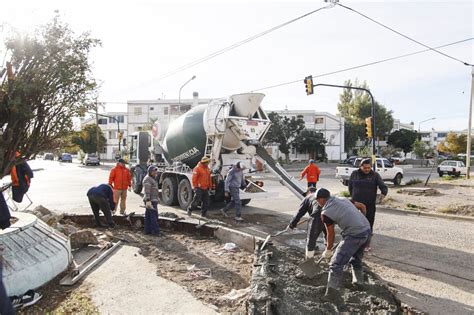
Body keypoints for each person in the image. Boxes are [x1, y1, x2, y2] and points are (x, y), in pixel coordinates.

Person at [315, 188, 371, 300]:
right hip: (367, 230)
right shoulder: (343, 199)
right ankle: (359, 283)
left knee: (336, 264)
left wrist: (328, 250)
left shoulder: (325, 213)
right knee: (356, 259)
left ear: (321, 199)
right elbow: (362, 206)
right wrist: (360, 221)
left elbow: (330, 233)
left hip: (354, 235)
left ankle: (331, 294)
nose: (317, 202)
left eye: (317, 200)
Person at [348, 158, 388, 251]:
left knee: (368, 224)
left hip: (369, 204)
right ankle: (354, 242)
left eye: (369, 168)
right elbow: (350, 187)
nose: (367, 170)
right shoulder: (354, 174)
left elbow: (383, 186)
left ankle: (367, 244)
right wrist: (353, 198)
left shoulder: (375, 175)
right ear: (360, 166)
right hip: (356, 204)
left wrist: (383, 194)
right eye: (365, 168)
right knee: (354, 223)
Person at [287, 186, 327, 259]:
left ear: (308, 192)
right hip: (328, 213)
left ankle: (309, 259)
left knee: (311, 238)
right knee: (328, 234)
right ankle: (328, 254)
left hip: (317, 215)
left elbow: (299, 213)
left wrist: (291, 225)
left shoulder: (307, 197)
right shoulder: (320, 196)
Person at [143, 166, 160, 235]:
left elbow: (154, 190)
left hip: (153, 199)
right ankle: (156, 232)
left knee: (148, 216)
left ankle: (147, 231)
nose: (155, 172)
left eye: (155, 171)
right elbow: (147, 190)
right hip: (150, 200)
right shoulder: (148, 179)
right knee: (154, 216)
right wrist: (148, 200)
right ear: (150, 172)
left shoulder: (152, 179)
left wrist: (157, 197)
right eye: (153, 171)